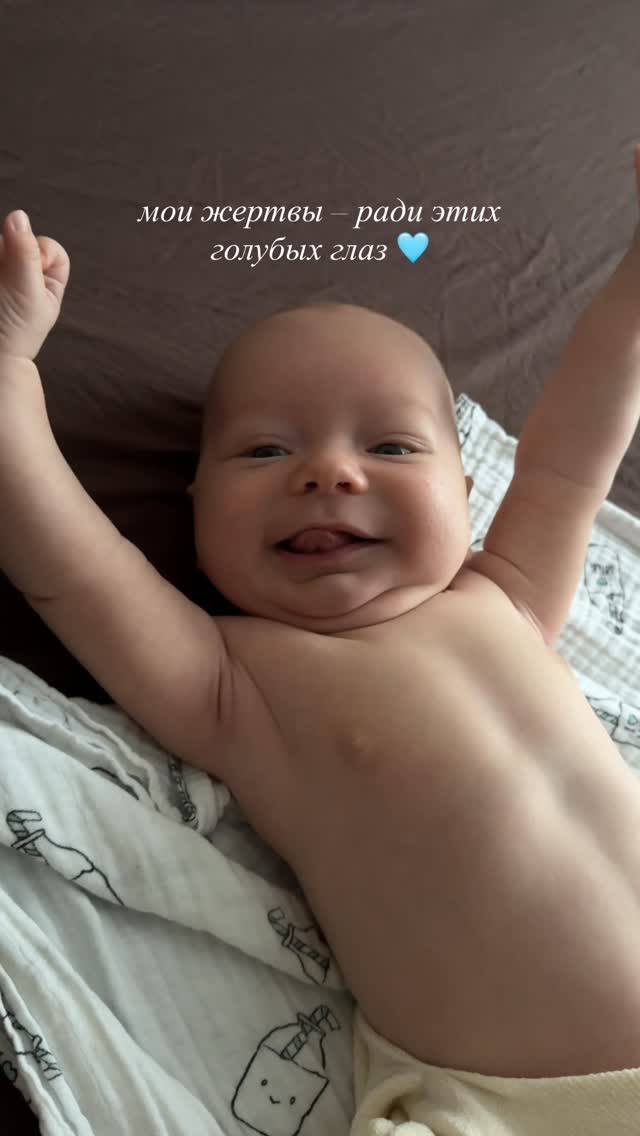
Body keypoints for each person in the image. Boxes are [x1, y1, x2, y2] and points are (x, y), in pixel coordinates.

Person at [1, 149, 640, 1134]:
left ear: (468, 493)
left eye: (390, 445)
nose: (330, 473)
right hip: (508, 1106)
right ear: (196, 507)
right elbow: (66, 562)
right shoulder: (231, 681)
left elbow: (574, 450)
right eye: (266, 449)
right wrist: (9, 368)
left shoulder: (508, 594)